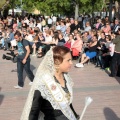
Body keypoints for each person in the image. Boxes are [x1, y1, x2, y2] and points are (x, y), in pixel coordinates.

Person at [20, 46, 80, 120]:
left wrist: (75, 116)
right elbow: (34, 111)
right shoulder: (43, 82)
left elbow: (67, 103)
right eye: (68, 60)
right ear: (57, 61)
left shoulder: (66, 77)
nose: (71, 63)